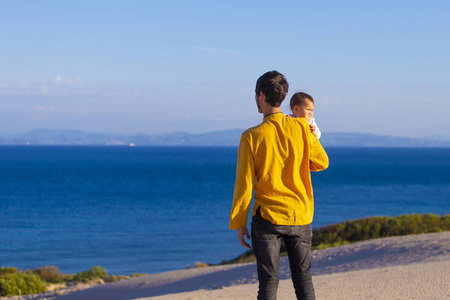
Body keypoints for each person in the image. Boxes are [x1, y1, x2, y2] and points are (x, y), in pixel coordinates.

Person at [229, 71, 329, 300]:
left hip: (267, 218)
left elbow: (244, 184)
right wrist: (309, 137)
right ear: (283, 97)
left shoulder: (250, 136)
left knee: (268, 284)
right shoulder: (302, 128)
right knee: (303, 281)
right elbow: (322, 162)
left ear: (261, 95)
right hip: (300, 215)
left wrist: (239, 223)